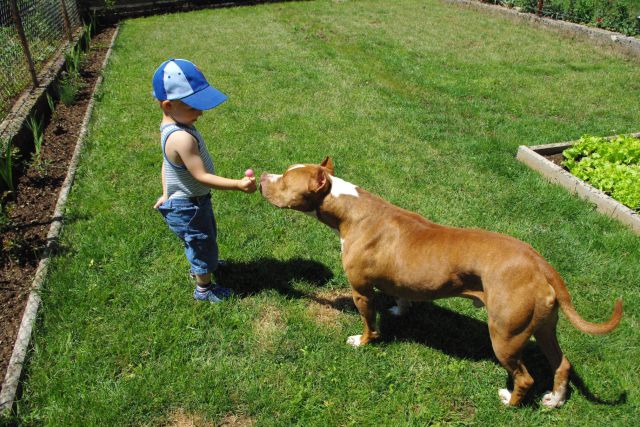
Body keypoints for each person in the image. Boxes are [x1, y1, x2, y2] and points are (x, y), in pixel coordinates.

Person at [152, 58, 256, 303]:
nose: (200, 112)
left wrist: (166, 193)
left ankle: (204, 262)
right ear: (168, 104)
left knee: (202, 241)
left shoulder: (170, 126)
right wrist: (239, 185)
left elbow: (166, 166)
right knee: (201, 244)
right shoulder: (181, 138)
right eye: (193, 107)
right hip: (189, 207)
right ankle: (204, 289)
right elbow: (201, 177)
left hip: (188, 202)